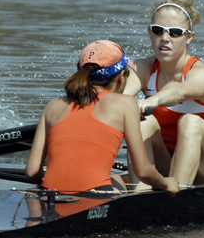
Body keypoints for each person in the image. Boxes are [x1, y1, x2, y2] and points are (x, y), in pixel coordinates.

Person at [26, 40, 179, 196]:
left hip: (50, 194)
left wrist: (61, 187)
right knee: (118, 182)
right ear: (121, 77)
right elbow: (143, 171)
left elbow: (32, 171)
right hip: (96, 195)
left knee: (115, 179)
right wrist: (166, 183)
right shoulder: (126, 104)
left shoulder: (53, 105)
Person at [125, 0, 204, 188]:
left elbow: (180, 90)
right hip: (166, 159)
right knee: (142, 121)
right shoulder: (143, 67)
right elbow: (120, 97)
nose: (164, 38)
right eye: (158, 31)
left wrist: (154, 100)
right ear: (150, 33)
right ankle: (138, 197)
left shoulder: (202, 73)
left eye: (175, 33)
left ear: (189, 37)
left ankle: (175, 199)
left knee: (190, 121)